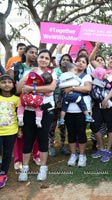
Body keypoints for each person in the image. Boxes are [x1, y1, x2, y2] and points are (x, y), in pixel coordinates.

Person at [17, 49, 57, 181]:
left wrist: (32, 89)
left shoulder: (52, 73)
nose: (44, 60)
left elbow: (51, 88)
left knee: (42, 138)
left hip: (46, 111)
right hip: (29, 110)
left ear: (50, 60)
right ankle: (25, 168)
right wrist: (28, 76)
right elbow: (18, 88)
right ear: (37, 58)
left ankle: (43, 168)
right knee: (28, 138)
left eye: (47, 58)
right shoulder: (30, 72)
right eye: (42, 57)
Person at [7, 45, 41, 170]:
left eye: (36, 53)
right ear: (25, 53)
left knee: (37, 130)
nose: (34, 55)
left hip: (36, 104)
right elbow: (12, 87)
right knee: (20, 132)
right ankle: (18, 159)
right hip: (20, 102)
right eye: (31, 52)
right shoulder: (16, 67)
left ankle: (36, 155)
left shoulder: (39, 68)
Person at [90, 51, 112, 163]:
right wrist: (97, 46)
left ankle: (108, 151)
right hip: (98, 103)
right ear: (108, 59)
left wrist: (107, 99)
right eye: (111, 58)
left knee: (110, 127)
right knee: (94, 125)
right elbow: (91, 59)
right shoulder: (101, 69)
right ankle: (101, 148)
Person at [63, 55, 92, 167]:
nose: (80, 63)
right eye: (79, 61)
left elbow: (87, 88)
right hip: (68, 109)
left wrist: (72, 88)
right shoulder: (68, 75)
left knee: (81, 132)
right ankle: (73, 154)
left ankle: (82, 155)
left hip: (82, 110)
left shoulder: (87, 76)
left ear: (86, 65)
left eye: (83, 61)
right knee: (70, 133)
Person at [48, 50, 72, 157]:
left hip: (66, 102)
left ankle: (63, 145)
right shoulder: (55, 71)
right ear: (60, 61)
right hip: (54, 100)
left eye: (68, 60)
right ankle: (51, 146)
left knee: (63, 125)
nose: (65, 61)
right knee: (52, 125)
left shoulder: (71, 72)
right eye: (63, 59)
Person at [0, 75, 19, 188]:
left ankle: (3, 174)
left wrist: (20, 129)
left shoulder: (16, 99)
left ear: (13, 85)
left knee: (7, 153)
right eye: (3, 82)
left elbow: (19, 116)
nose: (6, 84)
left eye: (9, 82)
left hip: (11, 131)